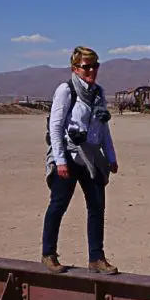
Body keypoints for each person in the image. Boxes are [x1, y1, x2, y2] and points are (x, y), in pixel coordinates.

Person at [41, 46, 119, 274]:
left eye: (95, 65)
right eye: (86, 66)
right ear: (75, 68)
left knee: (97, 207)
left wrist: (111, 157)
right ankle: (48, 254)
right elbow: (55, 127)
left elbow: (103, 128)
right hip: (69, 154)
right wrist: (60, 160)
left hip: (93, 157)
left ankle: (96, 258)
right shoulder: (66, 90)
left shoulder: (99, 93)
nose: (92, 70)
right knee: (58, 205)